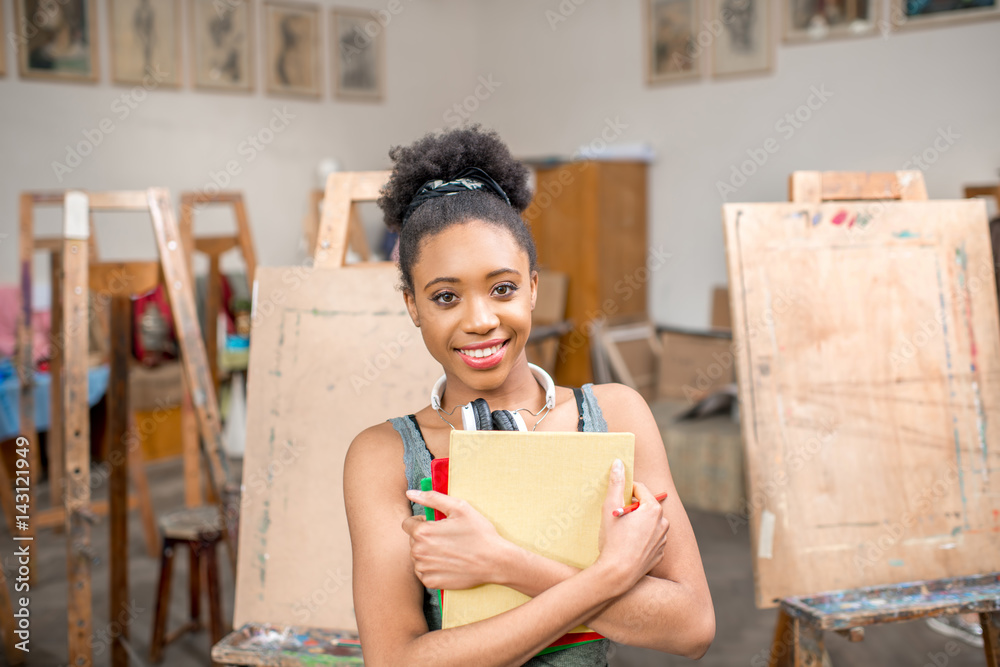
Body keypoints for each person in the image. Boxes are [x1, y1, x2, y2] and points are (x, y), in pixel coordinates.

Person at [343, 126, 715, 666]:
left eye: (503, 288)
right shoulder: (383, 457)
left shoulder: (614, 415)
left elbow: (692, 627)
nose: (481, 320)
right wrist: (611, 575)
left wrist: (503, 562)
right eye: (446, 296)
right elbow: (397, 662)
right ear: (412, 306)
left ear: (534, 287)